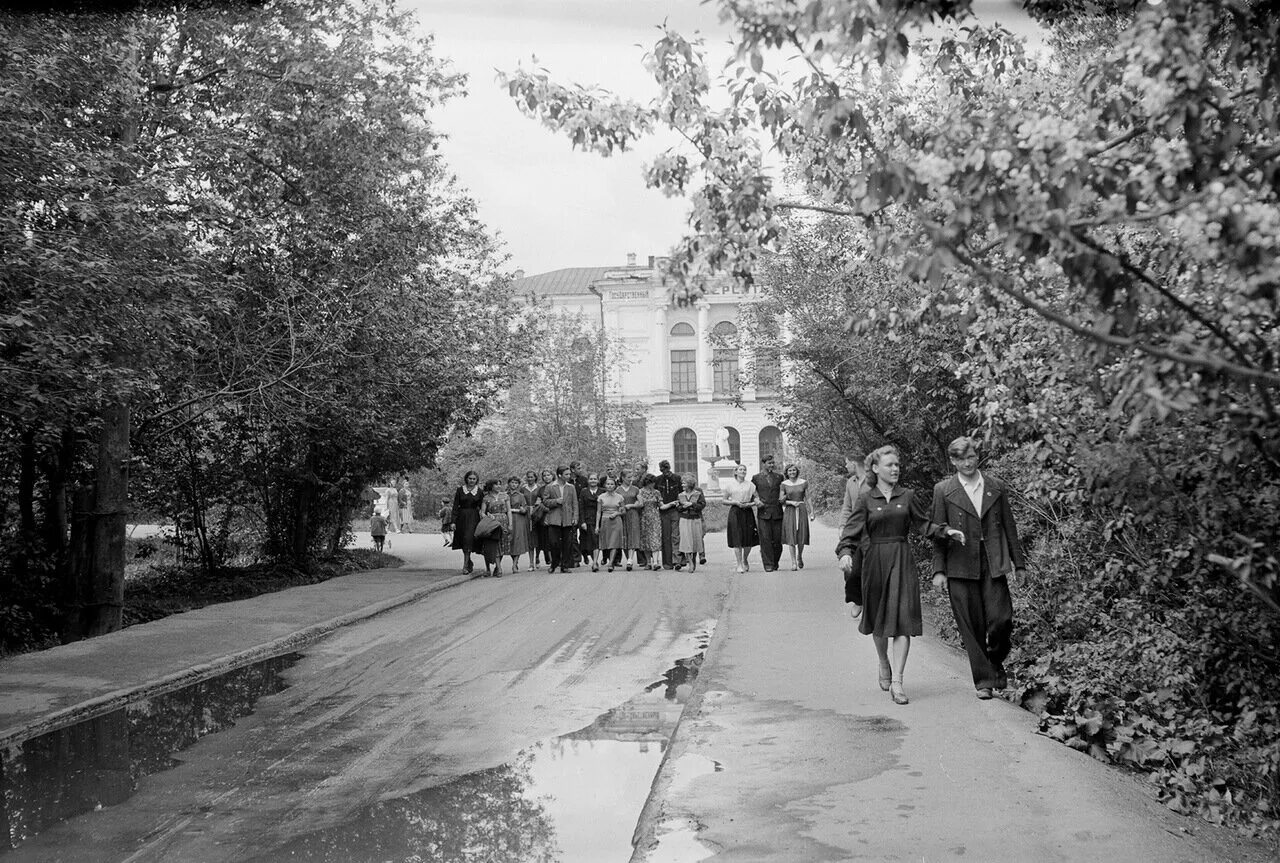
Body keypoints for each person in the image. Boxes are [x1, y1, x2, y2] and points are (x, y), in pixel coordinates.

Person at [836, 445, 962, 705]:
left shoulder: (907, 495)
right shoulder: (866, 498)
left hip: (902, 560)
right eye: (889, 465)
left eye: (897, 465)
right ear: (875, 468)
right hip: (874, 562)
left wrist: (945, 532)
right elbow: (851, 532)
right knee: (879, 621)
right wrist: (846, 554)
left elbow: (924, 524)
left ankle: (898, 681)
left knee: (902, 619)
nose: (895, 469)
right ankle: (883, 662)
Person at [931, 437, 1025, 700]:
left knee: (1001, 619)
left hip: (992, 560)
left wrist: (1020, 564)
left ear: (977, 456)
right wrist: (939, 570)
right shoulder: (943, 490)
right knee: (971, 624)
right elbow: (937, 532)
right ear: (953, 461)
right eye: (960, 459)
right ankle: (984, 681)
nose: (967, 463)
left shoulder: (996, 486)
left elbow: (1010, 527)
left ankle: (994, 661)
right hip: (959, 564)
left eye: (971, 457)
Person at [838, 453, 868, 615]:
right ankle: (858, 599)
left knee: (870, 568)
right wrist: (843, 526)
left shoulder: (874, 480)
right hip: (854, 531)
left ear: (855, 462)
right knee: (850, 569)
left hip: (872, 531)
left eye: (847, 462)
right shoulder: (851, 482)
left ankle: (870, 601)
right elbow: (847, 507)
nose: (845, 466)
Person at [721, 463, 759, 573]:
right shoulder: (730, 485)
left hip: (747, 511)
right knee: (737, 538)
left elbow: (756, 497)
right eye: (740, 469)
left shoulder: (750, 485)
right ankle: (739, 564)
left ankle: (745, 559)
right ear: (736, 472)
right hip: (735, 511)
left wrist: (752, 504)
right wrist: (735, 502)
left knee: (748, 538)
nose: (742, 471)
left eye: (744, 470)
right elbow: (724, 500)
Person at [542, 465, 579, 573]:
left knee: (568, 543)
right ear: (559, 475)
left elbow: (575, 503)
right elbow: (545, 501)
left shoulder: (571, 487)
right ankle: (554, 564)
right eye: (566, 474)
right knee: (554, 543)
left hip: (567, 519)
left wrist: (575, 517)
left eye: (569, 474)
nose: (569, 476)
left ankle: (565, 565)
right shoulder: (550, 486)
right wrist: (556, 501)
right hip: (554, 518)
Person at [752, 454, 784, 571]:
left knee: (777, 539)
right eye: (769, 463)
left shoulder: (779, 477)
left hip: (777, 512)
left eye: (772, 463)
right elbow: (751, 493)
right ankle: (768, 564)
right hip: (763, 512)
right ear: (763, 464)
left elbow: (784, 490)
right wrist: (756, 500)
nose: (772, 465)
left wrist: (783, 497)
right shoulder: (756, 478)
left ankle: (775, 562)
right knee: (765, 540)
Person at [451, 470, 484, 575]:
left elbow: (482, 506)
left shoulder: (479, 491)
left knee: (468, 539)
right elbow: (455, 506)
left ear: (476, 480)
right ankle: (468, 561)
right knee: (463, 539)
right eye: (470, 478)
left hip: (474, 518)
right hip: (461, 517)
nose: (472, 481)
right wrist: (453, 521)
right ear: (466, 479)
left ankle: (465, 566)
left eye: (474, 479)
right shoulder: (460, 490)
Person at [780, 463, 811, 571]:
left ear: (796, 471)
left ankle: (800, 556)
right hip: (790, 510)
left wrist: (812, 511)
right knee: (791, 535)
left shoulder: (803, 482)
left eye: (794, 470)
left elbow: (808, 497)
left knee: (801, 535)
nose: (792, 472)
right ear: (787, 473)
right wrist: (791, 503)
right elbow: (781, 500)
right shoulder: (784, 484)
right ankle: (793, 562)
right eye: (790, 471)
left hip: (801, 508)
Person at [478, 478, 510, 577]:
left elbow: (509, 511)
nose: (498, 486)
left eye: (500, 484)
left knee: (503, 545)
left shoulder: (505, 496)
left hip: (503, 521)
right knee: (494, 544)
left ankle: (497, 566)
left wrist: (511, 524)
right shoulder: (486, 498)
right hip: (492, 523)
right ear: (491, 486)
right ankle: (499, 568)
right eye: (496, 484)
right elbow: (482, 512)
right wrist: (487, 516)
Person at [655, 460, 683, 569]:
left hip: (675, 510)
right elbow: (656, 494)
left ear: (669, 467)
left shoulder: (677, 478)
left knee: (675, 536)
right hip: (663, 511)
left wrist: (678, 503)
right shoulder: (658, 480)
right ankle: (667, 563)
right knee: (666, 536)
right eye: (663, 469)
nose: (665, 471)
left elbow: (681, 493)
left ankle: (677, 561)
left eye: (666, 468)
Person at [676, 474, 706, 572]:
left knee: (695, 541)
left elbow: (702, 505)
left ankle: (693, 559)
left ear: (689, 484)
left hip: (695, 519)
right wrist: (682, 507)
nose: (682, 485)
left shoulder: (698, 494)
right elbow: (678, 508)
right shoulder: (680, 495)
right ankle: (690, 562)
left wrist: (692, 504)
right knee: (686, 541)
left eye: (684, 483)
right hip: (684, 520)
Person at [596, 476, 626, 571]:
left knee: (614, 542)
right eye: (608, 484)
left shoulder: (619, 497)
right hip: (605, 520)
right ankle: (606, 559)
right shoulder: (601, 497)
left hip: (616, 521)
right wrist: (597, 525)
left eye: (612, 484)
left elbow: (623, 511)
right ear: (605, 485)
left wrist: (617, 513)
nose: (610, 486)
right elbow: (598, 512)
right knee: (605, 542)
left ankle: (611, 563)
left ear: (615, 486)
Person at [637, 474, 664, 570]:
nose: (653, 484)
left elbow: (661, 505)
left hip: (655, 517)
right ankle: (648, 562)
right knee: (645, 540)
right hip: (644, 517)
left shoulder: (656, 492)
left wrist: (672, 504)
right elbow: (639, 504)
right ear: (647, 482)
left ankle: (656, 562)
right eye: (651, 482)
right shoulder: (640, 492)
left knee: (655, 538)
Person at [578, 471, 604, 572]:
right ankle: (595, 561)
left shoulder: (603, 491)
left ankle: (595, 562)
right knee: (591, 541)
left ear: (598, 480)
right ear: (588, 480)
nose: (593, 481)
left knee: (596, 540)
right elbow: (581, 508)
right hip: (588, 519)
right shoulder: (584, 491)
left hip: (601, 518)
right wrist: (582, 521)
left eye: (595, 479)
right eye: (591, 479)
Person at [618, 468, 643, 571]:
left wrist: (632, 505)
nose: (631, 479)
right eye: (628, 477)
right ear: (623, 478)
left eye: (632, 477)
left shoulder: (636, 489)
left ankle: (630, 559)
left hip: (633, 514)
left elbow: (640, 503)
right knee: (624, 535)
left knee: (633, 534)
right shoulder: (618, 490)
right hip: (622, 514)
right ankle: (627, 556)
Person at [506, 476, 531, 573]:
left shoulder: (521, 495)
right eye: (512, 482)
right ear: (508, 483)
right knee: (510, 540)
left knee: (517, 540)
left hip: (518, 518)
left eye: (516, 483)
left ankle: (515, 563)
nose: (514, 485)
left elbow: (525, 509)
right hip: (508, 518)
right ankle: (514, 561)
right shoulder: (504, 495)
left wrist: (522, 510)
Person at [521, 470, 544, 570]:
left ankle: (537, 557)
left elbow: (541, 500)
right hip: (526, 514)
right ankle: (531, 563)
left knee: (537, 537)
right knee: (530, 538)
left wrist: (535, 509)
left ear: (535, 478)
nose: (530, 479)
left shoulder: (539, 488)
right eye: (528, 477)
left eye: (532, 477)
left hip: (537, 514)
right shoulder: (523, 489)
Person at [533, 468, 556, 568]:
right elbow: (537, 503)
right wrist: (545, 508)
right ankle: (550, 560)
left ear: (552, 476)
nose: (546, 477)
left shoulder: (557, 486)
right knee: (546, 538)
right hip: (545, 515)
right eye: (544, 475)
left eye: (548, 475)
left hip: (556, 513)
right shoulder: (541, 489)